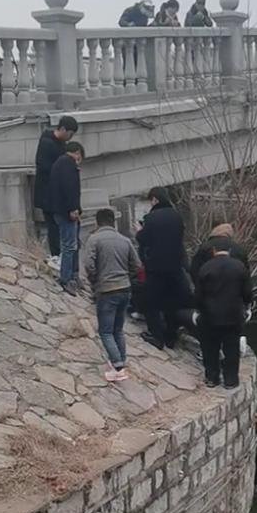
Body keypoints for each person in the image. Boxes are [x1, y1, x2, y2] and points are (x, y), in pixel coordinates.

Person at [83, 208, 141, 381]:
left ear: (97, 222)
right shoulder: (125, 240)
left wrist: (95, 280)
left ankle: (117, 367)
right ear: (113, 221)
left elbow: (88, 264)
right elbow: (137, 265)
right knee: (118, 330)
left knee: (106, 332)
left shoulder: (94, 239)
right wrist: (127, 276)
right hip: (125, 289)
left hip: (106, 290)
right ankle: (120, 361)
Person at [194, 238, 253, 389]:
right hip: (233, 315)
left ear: (214, 251)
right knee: (231, 348)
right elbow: (247, 292)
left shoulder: (205, 267)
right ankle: (230, 380)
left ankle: (212, 378)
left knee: (210, 348)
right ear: (229, 251)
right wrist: (247, 307)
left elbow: (199, 294)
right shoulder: (239, 267)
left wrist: (198, 310)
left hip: (209, 315)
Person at [137, 187, 187, 350]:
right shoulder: (177, 216)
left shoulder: (151, 218)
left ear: (155, 199)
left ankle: (156, 336)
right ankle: (171, 337)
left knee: (152, 302)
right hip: (175, 266)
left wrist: (139, 231)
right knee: (171, 302)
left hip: (156, 267)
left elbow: (143, 239)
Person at [33, 115, 78, 269]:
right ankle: (56, 256)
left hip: (55, 193)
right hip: (47, 193)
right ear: (63, 129)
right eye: (70, 133)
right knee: (53, 225)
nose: (70, 137)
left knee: (58, 226)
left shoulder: (61, 144)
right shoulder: (47, 143)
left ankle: (60, 257)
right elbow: (43, 166)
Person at [49, 140, 84, 295]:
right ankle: (66, 278)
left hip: (59, 210)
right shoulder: (68, 164)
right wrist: (73, 208)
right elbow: (70, 188)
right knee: (69, 246)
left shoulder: (59, 163)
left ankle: (72, 275)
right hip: (66, 212)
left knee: (71, 244)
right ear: (77, 153)